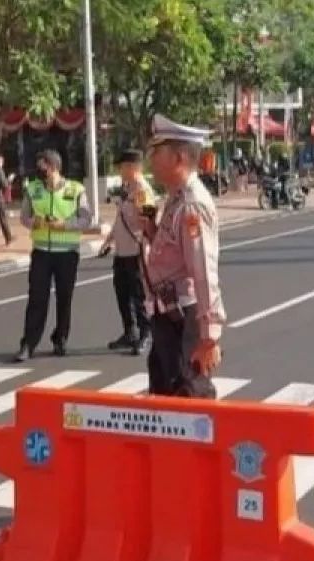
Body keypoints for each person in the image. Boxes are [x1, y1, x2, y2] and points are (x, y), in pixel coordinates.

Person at [141, 114, 226, 397]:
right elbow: (175, 254)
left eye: (157, 152)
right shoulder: (176, 198)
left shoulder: (192, 205)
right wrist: (152, 232)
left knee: (188, 399)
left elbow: (203, 271)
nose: (151, 159)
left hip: (183, 319)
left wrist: (208, 335)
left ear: (178, 158)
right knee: (165, 398)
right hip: (167, 315)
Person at [13, 149, 93, 362]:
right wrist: (34, 223)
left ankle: (60, 339)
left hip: (67, 254)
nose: (40, 170)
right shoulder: (33, 189)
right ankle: (28, 344)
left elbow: (86, 219)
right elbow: (24, 217)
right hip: (41, 253)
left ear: (54, 167)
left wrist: (64, 225)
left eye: (43, 166)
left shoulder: (76, 190)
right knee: (37, 298)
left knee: (64, 299)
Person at [98, 149, 155, 357]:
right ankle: (130, 332)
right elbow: (120, 218)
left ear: (132, 167)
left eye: (122, 167)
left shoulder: (141, 190)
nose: (120, 171)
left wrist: (144, 240)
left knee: (139, 295)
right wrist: (109, 241)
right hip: (122, 251)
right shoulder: (127, 188)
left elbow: (149, 219)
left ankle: (146, 333)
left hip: (136, 251)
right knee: (122, 293)